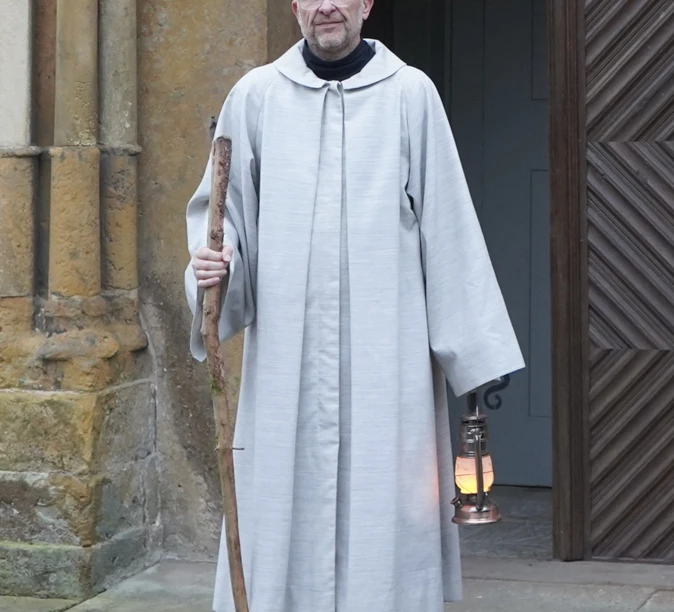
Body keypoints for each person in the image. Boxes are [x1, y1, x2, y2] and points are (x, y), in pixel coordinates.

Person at [183, 0, 525, 610]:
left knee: (384, 500)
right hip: (289, 351)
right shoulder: (255, 97)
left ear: (367, 3)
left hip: (385, 350)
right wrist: (214, 267)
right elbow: (224, 214)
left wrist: (473, 362)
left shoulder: (411, 95)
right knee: (284, 496)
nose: (327, 6)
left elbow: (446, 222)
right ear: (294, 6)